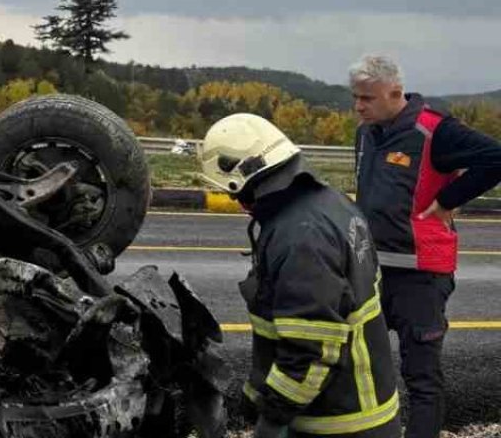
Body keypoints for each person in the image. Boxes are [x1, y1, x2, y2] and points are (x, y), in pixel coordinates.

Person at [200, 113, 399, 438]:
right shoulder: (331, 203)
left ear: (242, 178)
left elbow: (310, 349)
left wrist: (271, 420)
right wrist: (256, 395)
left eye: (233, 193)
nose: (237, 203)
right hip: (366, 412)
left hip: (339, 422)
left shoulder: (300, 237)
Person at [349, 55, 501, 438]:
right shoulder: (365, 133)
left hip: (421, 276)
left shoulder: (435, 131)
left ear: (395, 93)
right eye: (355, 97)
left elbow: (496, 158)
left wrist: (449, 199)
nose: (358, 106)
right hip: (371, 272)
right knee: (358, 365)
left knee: (421, 376)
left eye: (367, 98)